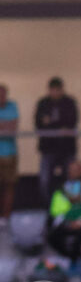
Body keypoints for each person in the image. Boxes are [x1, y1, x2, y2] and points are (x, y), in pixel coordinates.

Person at [47, 158, 81, 260]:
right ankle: (65, 261)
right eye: (72, 170)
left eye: (77, 169)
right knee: (53, 235)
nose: (75, 172)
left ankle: (80, 261)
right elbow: (55, 209)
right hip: (66, 221)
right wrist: (68, 221)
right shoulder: (62, 188)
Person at [34, 77, 78, 199]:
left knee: (71, 178)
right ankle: (49, 207)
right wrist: (58, 125)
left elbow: (71, 122)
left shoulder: (69, 103)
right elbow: (39, 123)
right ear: (49, 90)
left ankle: (72, 207)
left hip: (67, 148)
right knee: (45, 180)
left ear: (62, 90)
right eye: (53, 90)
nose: (55, 92)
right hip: (48, 148)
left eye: (58, 90)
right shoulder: (43, 103)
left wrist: (51, 122)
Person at [0, 84, 18, 225]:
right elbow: (8, 126)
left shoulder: (12, 106)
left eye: (3, 95)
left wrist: (5, 126)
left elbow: (13, 127)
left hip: (9, 153)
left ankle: (6, 217)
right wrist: (5, 125)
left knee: (9, 185)